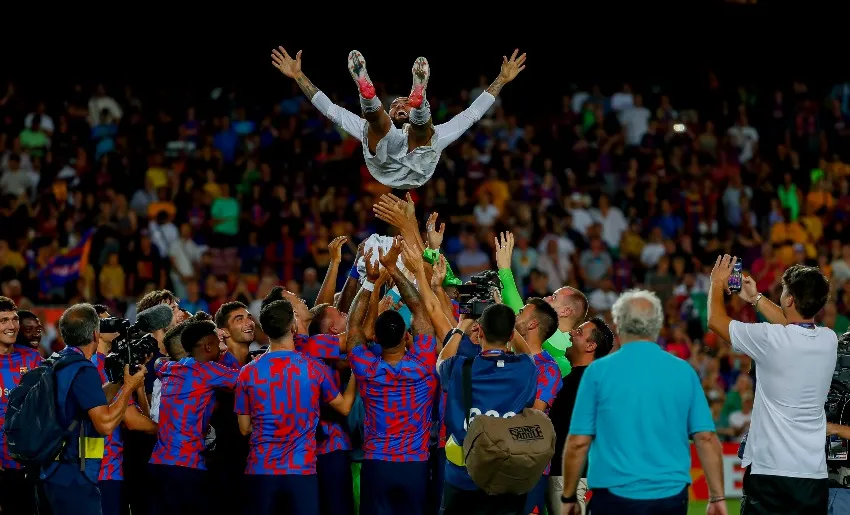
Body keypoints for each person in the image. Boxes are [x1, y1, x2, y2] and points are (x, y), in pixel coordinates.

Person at [561, 290, 727, 515]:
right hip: (670, 496)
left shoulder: (598, 372)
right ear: (657, 325)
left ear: (619, 324)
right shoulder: (683, 372)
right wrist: (717, 496)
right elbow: (706, 438)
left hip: (613, 496)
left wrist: (569, 496)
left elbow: (578, 442)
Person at [270, 46, 526, 189]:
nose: (400, 106)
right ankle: (369, 94)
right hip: (386, 164)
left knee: (421, 132)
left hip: (417, 166)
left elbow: (471, 114)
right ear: (392, 112)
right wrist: (298, 76)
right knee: (379, 126)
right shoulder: (385, 126)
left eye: (405, 103)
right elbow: (332, 110)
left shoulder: (428, 133)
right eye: (396, 105)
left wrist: (502, 79)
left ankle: (416, 100)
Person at [708, 257, 835, 514]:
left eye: (784, 292)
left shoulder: (770, 338)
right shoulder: (828, 340)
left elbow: (716, 321)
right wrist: (755, 298)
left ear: (789, 300)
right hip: (813, 475)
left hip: (770, 473)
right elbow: (794, 326)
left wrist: (716, 283)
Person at [235, 298, 357, 514]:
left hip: (260, 471)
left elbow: (244, 428)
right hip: (301, 471)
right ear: (293, 326)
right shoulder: (313, 368)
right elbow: (345, 407)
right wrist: (356, 370)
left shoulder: (247, 372)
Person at [347, 239, 438, 515]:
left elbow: (353, 328)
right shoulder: (423, 365)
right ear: (406, 335)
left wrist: (369, 281)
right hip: (415, 465)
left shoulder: (366, 369)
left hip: (377, 464)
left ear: (375, 338)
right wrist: (393, 269)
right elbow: (419, 309)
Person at [41, 303, 146, 515]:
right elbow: (105, 424)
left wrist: (119, 381)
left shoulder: (57, 361)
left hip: (53, 471)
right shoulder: (84, 369)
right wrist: (129, 387)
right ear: (95, 334)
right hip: (76, 475)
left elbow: (90, 400)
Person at [437, 301, 538, 515]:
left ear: (480, 331)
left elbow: (441, 362)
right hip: (508, 477)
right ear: (511, 335)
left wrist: (461, 327)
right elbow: (528, 355)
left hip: (463, 476)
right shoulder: (525, 369)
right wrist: (503, 311)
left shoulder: (461, 367)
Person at [148, 319, 239, 515]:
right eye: (217, 342)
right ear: (208, 346)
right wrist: (227, 354)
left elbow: (158, 363)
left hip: (158, 462)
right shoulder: (207, 370)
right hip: (186, 464)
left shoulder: (168, 368)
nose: (220, 346)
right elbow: (245, 380)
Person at [546, 317, 614, 515]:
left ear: (591, 346)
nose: (570, 333)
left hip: (570, 479)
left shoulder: (585, 384)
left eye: (579, 332)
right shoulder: (600, 383)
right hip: (588, 477)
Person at [0, 297, 42, 515]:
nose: (12, 326)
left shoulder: (32, 359)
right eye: (3, 320)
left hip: (27, 463)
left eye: (14, 319)